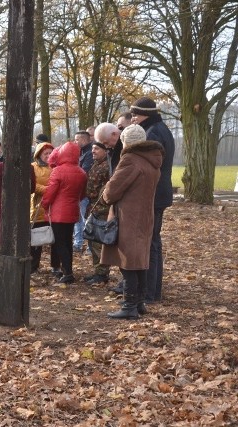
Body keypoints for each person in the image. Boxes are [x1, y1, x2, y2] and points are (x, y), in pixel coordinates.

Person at [102, 124, 164, 319]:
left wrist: (106, 193)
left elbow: (111, 192)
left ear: (125, 142)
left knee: (127, 261)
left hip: (129, 216)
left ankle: (129, 305)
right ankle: (138, 303)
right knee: (140, 260)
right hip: (145, 215)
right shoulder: (153, 160)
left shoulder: (130, 160)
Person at [130, 96, 175, 304]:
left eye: (135, 115)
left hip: (154, 194)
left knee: (150, 243)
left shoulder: (153, 133)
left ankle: (149, 292)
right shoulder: (161, 128)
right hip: (160, 193)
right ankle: (152, 291)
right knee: (153, 242)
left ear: (145, 115)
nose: (133, 119)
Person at [41, 142, 87, 283]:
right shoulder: (81, 172)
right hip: (72, 211)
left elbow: (50, 193)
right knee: (68, 242)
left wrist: (44, 204)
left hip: (58, 212)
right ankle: (68, 270)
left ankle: (67, 273)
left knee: (60, 243)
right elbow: (82, 194)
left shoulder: (58, 171)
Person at [30, 142, 60, 275]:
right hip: (37, 206)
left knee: (56, 238)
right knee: (36, 237)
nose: (48, 156)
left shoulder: (56, 167)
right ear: (39, 154)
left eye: (50, 153)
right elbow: (32, 184)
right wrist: (47, 190)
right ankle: (33, 265)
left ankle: (55, 266)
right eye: (45, 153)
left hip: (54, 206)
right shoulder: (33, 167)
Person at [83, 141, 111, 284]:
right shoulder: (96, 164)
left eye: (97, 149)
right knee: (92, 241)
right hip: (92, 207)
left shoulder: (108, 166)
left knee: (99, 242)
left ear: (105, 151)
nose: (93, 151)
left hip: (101, 209)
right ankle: (97, 271)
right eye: (92, 148)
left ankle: (102, 273)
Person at [73, 130, 93, 253]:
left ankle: (90, 246)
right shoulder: (81, 152)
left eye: (77, 140)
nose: (75, 142)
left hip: (85, 192)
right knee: (78, 219)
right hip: (80, 191)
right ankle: (78, 243)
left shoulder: (89, 153)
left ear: (84, 140)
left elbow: (84, 172)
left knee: (85, 219)